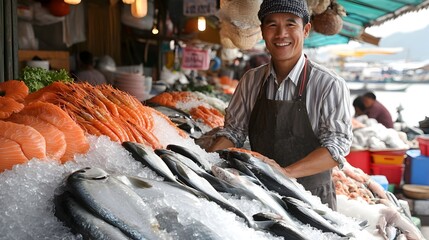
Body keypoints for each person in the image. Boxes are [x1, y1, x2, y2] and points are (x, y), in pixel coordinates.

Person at [207, 0, 353, 210]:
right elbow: (233, 132)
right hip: (260, 196)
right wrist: (204, 162)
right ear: (263, 31)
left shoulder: (329, 84)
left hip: (313, 204)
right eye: (272, 25)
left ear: (306, 30)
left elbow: (336, 148)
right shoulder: (251, 81)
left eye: (291, 24)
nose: (281, 33)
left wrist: (284, 174)